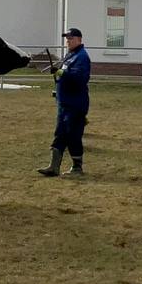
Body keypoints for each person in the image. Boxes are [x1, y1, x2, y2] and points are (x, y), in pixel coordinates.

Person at [37, 27, 91, 178]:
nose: (68, 41)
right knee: (60, 133)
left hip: (75, 104)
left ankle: (77, 168)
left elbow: (80, 79)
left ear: (79, 40)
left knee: (73, 135)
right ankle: (54, 167)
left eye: (71, 38)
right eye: (67, 38)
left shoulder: (82, 57)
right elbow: (64, 75)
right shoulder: (70, 55)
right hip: (64, 103)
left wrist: (62, 73)